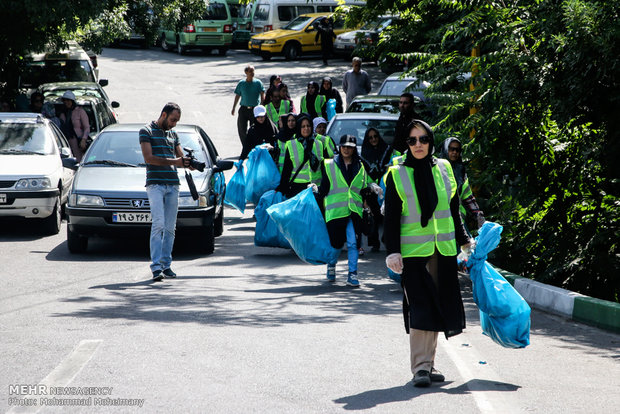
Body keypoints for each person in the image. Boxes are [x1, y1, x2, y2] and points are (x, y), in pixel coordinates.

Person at [383, 119, 473, 388]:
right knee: (420, 306)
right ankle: (420, 367)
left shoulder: (444, 168)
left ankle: (429, 363)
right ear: (406, 144)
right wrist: (392, 252)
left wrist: (465, 240)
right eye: (412, 141)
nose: (418, 145)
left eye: (423, 139)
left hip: (442, 250)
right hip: (413, 254)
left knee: (437, 304)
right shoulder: (397, 174)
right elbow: (391, 218)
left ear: (431, 141)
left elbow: (453, 209)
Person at [314, 135, 381, 287]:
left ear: (353, 149)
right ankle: (331, 265)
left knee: (353, 243)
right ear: (339, 147)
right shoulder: (329, 164)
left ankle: (353, 274)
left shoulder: (360, 165)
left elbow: (363, 186)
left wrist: (372, 186)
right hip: (336, 212)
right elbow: (324, 187)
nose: (346, 149)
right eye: (344, 146)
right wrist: (314, 191)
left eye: (350, 146)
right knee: (336, 245)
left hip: (354, 211)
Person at [139, 103, 192, 281]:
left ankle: (166, 265)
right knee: (158, 224)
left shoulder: (173, 134)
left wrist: (189, 163)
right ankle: (156, 267)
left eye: (177, 120)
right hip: (155, 185)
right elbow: (149, 158)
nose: (174, 123)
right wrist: (176, 162)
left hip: (173, 185)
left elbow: (180, 158)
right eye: (172, 119)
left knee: (170, 228)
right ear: (163, 114)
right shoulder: (146, 131)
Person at [438, 137, 485, 235]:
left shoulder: (461, 171)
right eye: (451, 149)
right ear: (445, 149)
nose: (454, 152)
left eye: (457, 150)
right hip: (439, 223)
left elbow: (467, 196)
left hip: (458, 221)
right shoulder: (435, 169)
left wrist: (478, 214)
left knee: (466, 248)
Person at [275, 114, 324, 198]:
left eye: (308, 126)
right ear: (298, 128)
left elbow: (323, 167)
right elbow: (287, 169)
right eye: (303, 126)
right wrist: (282, 188)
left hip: (315, 187)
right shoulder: (291, 144)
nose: (306, 128)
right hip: (296, 188)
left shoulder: (319, 144)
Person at [359, 127, 391, 251]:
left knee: (387, 215)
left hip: (386, 187)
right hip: (371, 188)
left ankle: (386, 239)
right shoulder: (364, 153)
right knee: (374, 216)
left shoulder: (387, 150)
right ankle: (374, 243)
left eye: (375, 136)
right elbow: (363, 171)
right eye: (370, 137)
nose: (373, 139)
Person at [232, 65, 265, 159]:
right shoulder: (241, 83)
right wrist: (234, 107)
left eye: (253, 71)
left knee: (254, 130)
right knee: (242, 129)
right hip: (243, 109)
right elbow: (237, 95)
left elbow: (262, 94)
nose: (252, 73)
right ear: (246, 72)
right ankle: (246, 147)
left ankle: (253, 148)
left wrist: (262, 106)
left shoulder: (258, 83)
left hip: (255, 109)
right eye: (250, 71)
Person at [59, 91, 90, 162]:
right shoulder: (62, 113)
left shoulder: (80, 111)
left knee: (78, 160)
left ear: (72, 101)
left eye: (68, 100)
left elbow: (87, 127)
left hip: (78, 142)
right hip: (66, 142)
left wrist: (83, 139)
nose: (67, 102)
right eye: (65, 100)